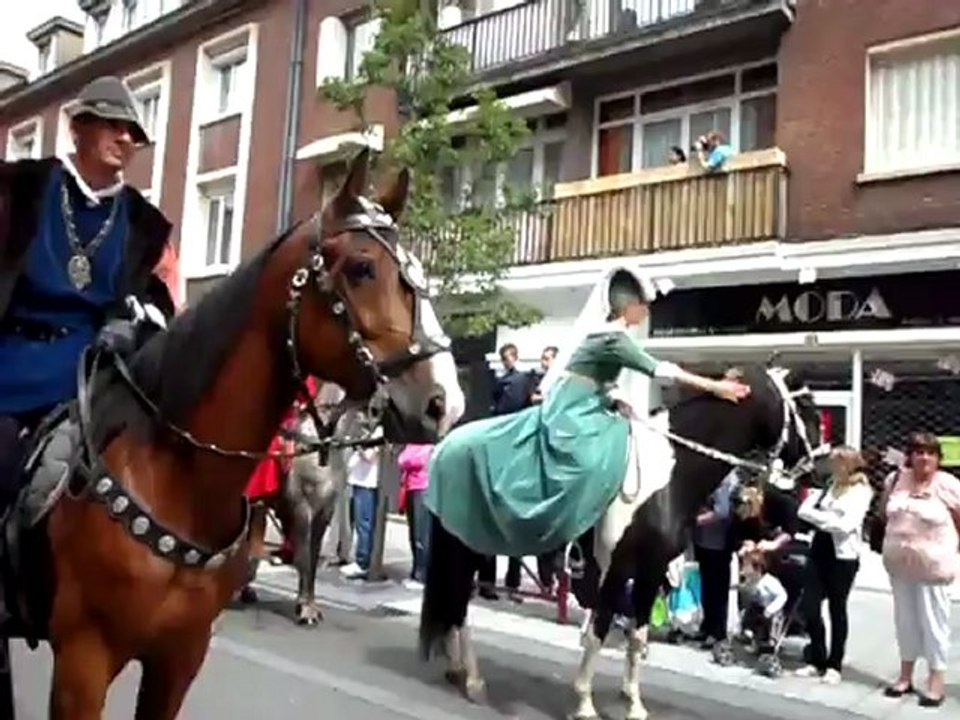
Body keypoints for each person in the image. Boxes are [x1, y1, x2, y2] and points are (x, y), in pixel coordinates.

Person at [426, 268, 751, 570]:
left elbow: (599, 379)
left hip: (590, 403)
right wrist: (715, 386)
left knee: (621, 443)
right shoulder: (612, 337)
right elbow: (659, 370)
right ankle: (571, 537)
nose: (647, 312)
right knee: (587, 460)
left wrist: (615, 396)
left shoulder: (612, 336)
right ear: (628, 306)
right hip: (572, 410)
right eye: (643, 306)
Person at [0, 75, 178, 511]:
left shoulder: (146, 224)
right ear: (77, 128)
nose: (124, 137)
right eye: (111, 124)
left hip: (89, 375)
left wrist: (133, 322)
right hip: (10, 359)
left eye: (133, 133)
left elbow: (165, 302)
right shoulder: (21, 188)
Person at [880, 432, 960, 708]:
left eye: (930, 453)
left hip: (933, 568)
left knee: (934, 625)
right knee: (905, 622)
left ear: (938, 458)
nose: (924, 458)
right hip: (900, 566)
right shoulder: (895, 481)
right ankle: (905, 676)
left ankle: (936, 682)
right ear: (909, 456)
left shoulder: (948, 485)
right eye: (918, 452)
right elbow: (884, 513)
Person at [794, 447, 872, 684]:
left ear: (849, 464)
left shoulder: (861, 491)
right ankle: (816, 656)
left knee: (837, 609)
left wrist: (822, 519)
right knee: (809, 605)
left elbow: (846, 525)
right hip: (819, 549)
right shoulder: (829, 487)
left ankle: (834, 663)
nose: (832, 468)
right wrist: (829, 519)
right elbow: (803, 510)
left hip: (843, 556)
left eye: (837, 463)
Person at [478, 342, 531, 602]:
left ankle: (510, 584)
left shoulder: (520, 381)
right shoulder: (505, 383)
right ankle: (492, 582)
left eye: (509, 357)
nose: (507, 361)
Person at [693, 467, 740, 648]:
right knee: (707, 585)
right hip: (705, 540)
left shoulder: (724, 478)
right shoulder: (711, 474)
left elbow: (722, 511)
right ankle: (707, 626)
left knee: (717, 589)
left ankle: (717, 631)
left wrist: (696, 520)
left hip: (718, 542)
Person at [341, 419, 383, 580]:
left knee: (364, 523)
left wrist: (358, 443)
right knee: (359, 522)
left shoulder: (380, 432)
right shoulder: (370, 431)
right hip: (358, 480)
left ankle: (363, 562)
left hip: (367, 482)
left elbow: (369, 455)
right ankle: (361, 557)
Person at [737, 549, 788, 654]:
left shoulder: (768, 581)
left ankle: (764, 641)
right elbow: (746, 588)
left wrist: (771, 609)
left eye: (746, 566)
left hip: (772, 611)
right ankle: (749, 634)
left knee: (762, 621)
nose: (743, 569)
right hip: (759, 608)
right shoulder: (752, 581)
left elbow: (783, 595)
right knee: (750, 611)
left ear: (758, 568)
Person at [398, 442, 434, 589]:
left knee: (421, 534)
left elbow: (409, 460)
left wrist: (407, 460)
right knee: (414, 533)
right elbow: (402, 459)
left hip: (422, 488)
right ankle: (416, 571)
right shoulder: (413, 442)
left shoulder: (430, 445)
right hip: (411, 488)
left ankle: (422, 575)